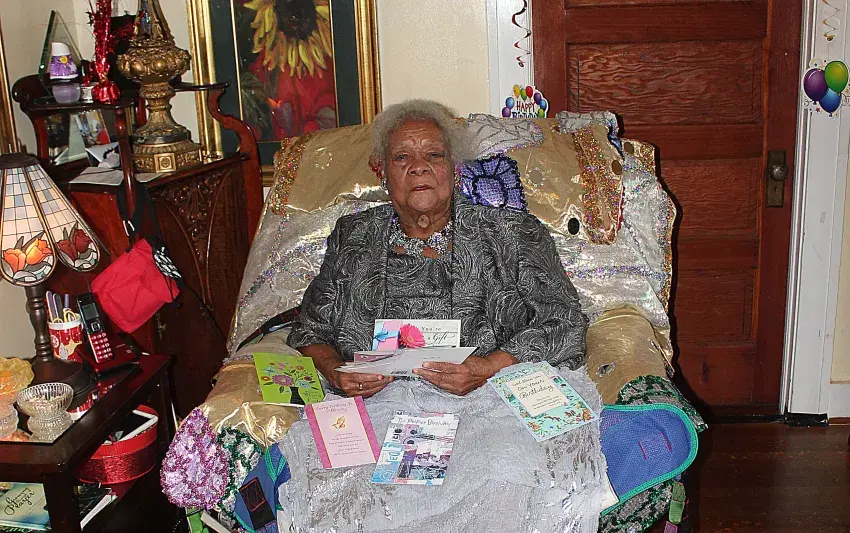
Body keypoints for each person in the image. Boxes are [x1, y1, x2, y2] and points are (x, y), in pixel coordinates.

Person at [288, 99, 588, 396]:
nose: (419, 167)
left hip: (489, 396)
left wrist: (489, 367)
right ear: (382, 172)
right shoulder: (353, 234)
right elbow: (309, 330)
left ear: (454, 169)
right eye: (402, 157)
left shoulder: (512, 231)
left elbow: (565, 321)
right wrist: (337, 371)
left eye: (434, 155)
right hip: (376, 403)